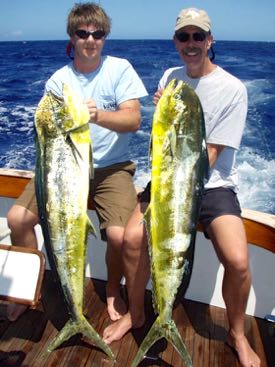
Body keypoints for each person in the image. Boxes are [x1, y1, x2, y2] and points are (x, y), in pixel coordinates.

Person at [102, 7, 260, 367]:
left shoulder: (233, 89)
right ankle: (137, 315)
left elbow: (211, 157)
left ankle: (237, 334)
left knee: (238, 261)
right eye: (183, 37)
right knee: (131, 239)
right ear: (176, 41)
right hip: (166, 179)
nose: (191, 44)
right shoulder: (170, 77)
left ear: (210, 40)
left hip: (211, 183)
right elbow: (159, 143)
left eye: (198, 36)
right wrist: (163, 117)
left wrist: (173, 121)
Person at [5, 2, 147, 322]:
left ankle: (112, 289)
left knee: (120, 236)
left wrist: (98, 115)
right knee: (17, 218)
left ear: (104, 37)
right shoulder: (58, 80)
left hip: (112, 168)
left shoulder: (120, 69)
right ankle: (31, 285)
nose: (90, 40)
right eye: (83, 33)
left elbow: (133, 119)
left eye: (97, 34)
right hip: (63, 169)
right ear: (72, 36)